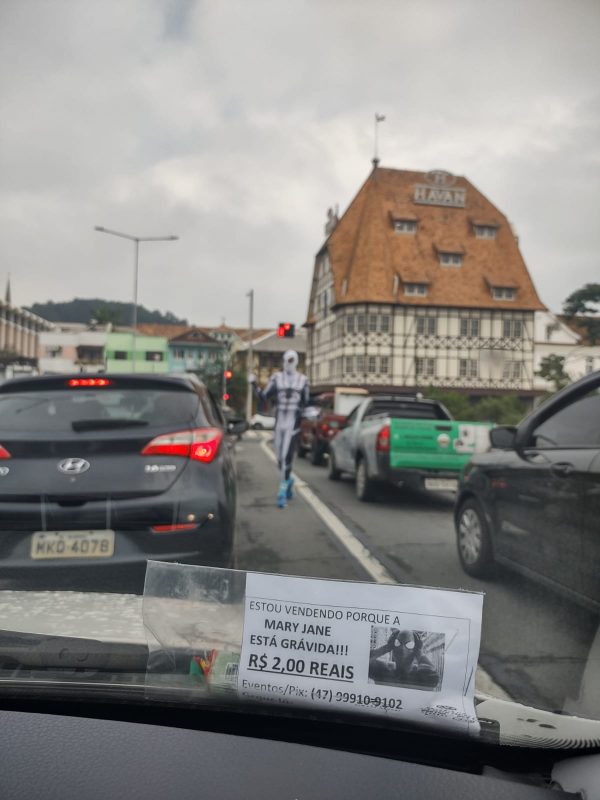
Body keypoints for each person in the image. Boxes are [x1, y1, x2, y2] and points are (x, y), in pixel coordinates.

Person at [249, 350, 309, 508]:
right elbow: (263, 397)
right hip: (280, 422)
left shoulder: (303, 380)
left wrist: (306, 417)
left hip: (293, 424)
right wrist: (254, 384)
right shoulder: (277, 378)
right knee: (280, 459)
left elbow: (306, 403)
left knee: (287, 457)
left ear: (296, 361)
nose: (288, 363)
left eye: (291, 360)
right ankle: (288, 481)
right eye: (286, 360)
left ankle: (281, 491)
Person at [369, 629, 440, 689]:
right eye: (398, 643)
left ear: (415, 650)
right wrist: (387, 647)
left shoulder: (420, 675)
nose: (402, 649)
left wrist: (419, 652)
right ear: (392, 648)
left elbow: (433, 680)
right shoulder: (383, 670)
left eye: (409, 645)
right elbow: (362, 661)